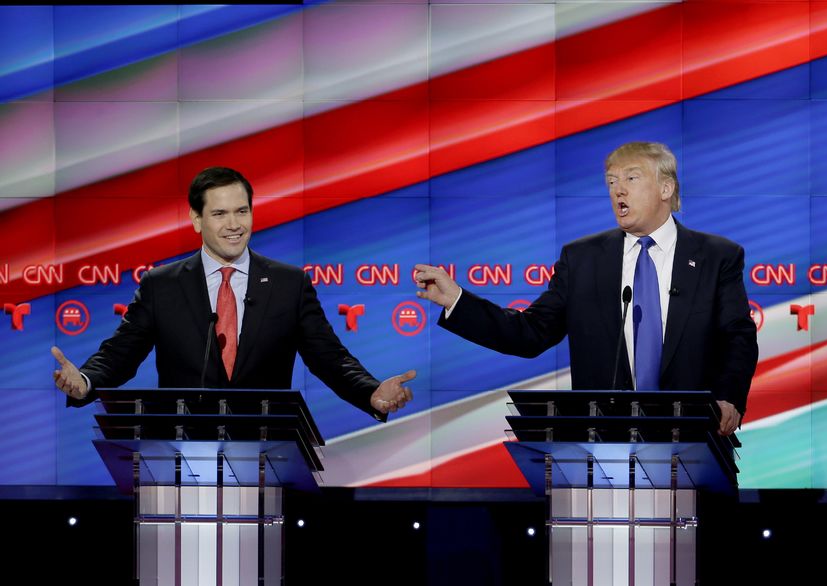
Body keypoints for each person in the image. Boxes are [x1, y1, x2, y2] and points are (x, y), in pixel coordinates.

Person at [412, 141, 758, 435]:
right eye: (610, 182)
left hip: (695, 439)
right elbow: (529, 333)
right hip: (605, 447)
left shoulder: (716, 256)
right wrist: (457, 300)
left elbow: (738, 337)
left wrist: (728, 397)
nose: (617, 190)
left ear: (666, 188)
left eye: (631, 179)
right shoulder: (582, 260)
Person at [52, 166, 414, 419]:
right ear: (197, 220)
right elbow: (120, 355)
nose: (234, 225)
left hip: (264, 452)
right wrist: (84, 382)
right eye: (220, 213)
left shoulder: (290, 284)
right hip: (181, 452)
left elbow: (330, 359)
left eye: (242, 211)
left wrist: (370, 392)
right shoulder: (161, 286)